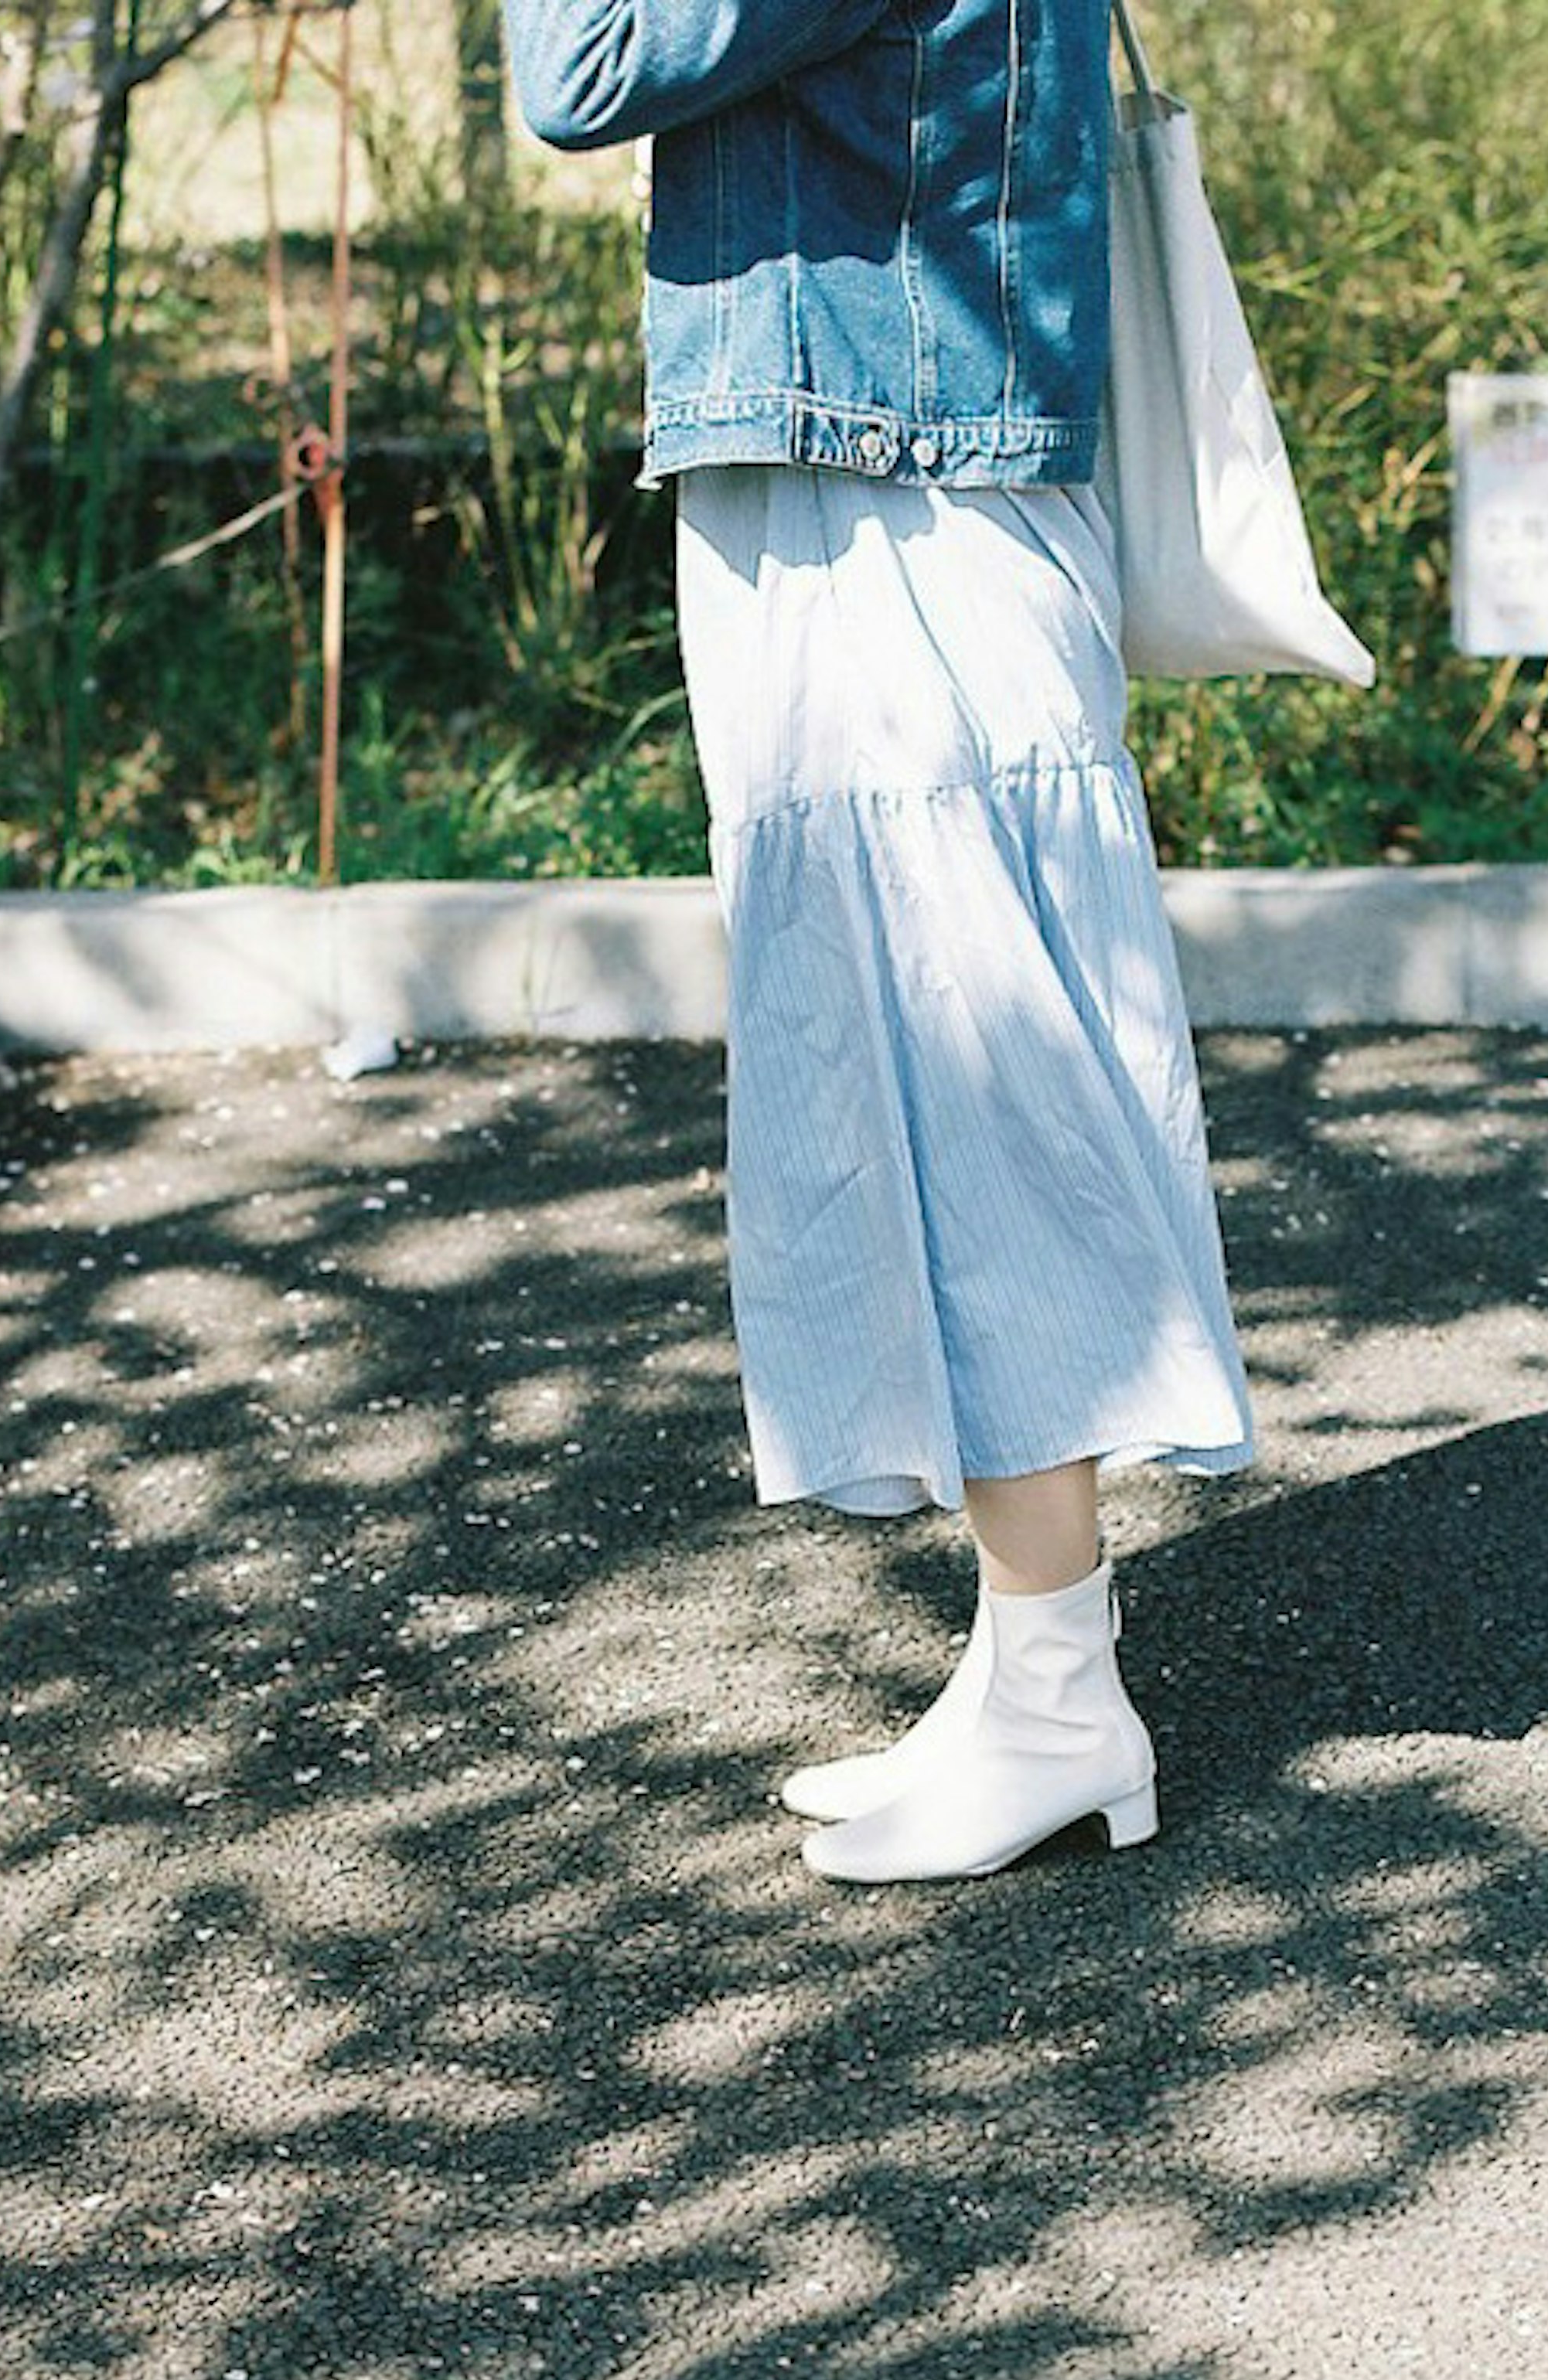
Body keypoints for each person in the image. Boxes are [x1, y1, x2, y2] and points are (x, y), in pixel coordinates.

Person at [506, 0, 1256, 1882]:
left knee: (973, 1072)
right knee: (918, 1060)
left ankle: (1065, 1700)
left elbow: (583, 66)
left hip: (908, 480)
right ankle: (1025, 1666)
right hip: (874, 453)